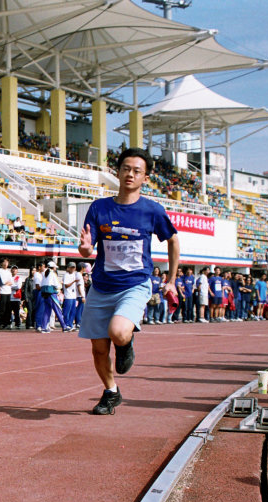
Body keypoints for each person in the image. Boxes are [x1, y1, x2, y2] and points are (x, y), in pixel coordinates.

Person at [77, 147, 179, 415]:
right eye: (126, 169)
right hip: (101, 286)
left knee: (119, 331)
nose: (130, 174)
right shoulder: (100, 208)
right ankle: (111, 392)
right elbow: (87, 249)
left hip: (134, 284)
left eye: (137, 171)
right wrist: (86, 249)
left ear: (145, 177)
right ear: (118, 171)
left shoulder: (152, 211)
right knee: (98, 349)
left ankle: (127, 342)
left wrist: (171, 278)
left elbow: (173, 239)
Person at [38, 261, 69, 333]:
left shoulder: (44, 273)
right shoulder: (53, 274)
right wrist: (60, 285)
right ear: (53, 267)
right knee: (58, 310)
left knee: (46, 311)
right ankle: (64, 326)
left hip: (45, 294)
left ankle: (44, 327)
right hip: (52, 294)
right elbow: (57, 285)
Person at [62, 262, 81, 329]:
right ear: (68, 268)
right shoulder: (66, 275)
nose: (73, 269)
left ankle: (70, 324)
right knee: (67, 311)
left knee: (73, 311)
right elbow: (66, 285)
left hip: (73, 295)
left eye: (74, 268)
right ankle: (66, 324)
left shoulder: (74, 274)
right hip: (68, 296)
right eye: (71, 267)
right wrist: (74, 281)